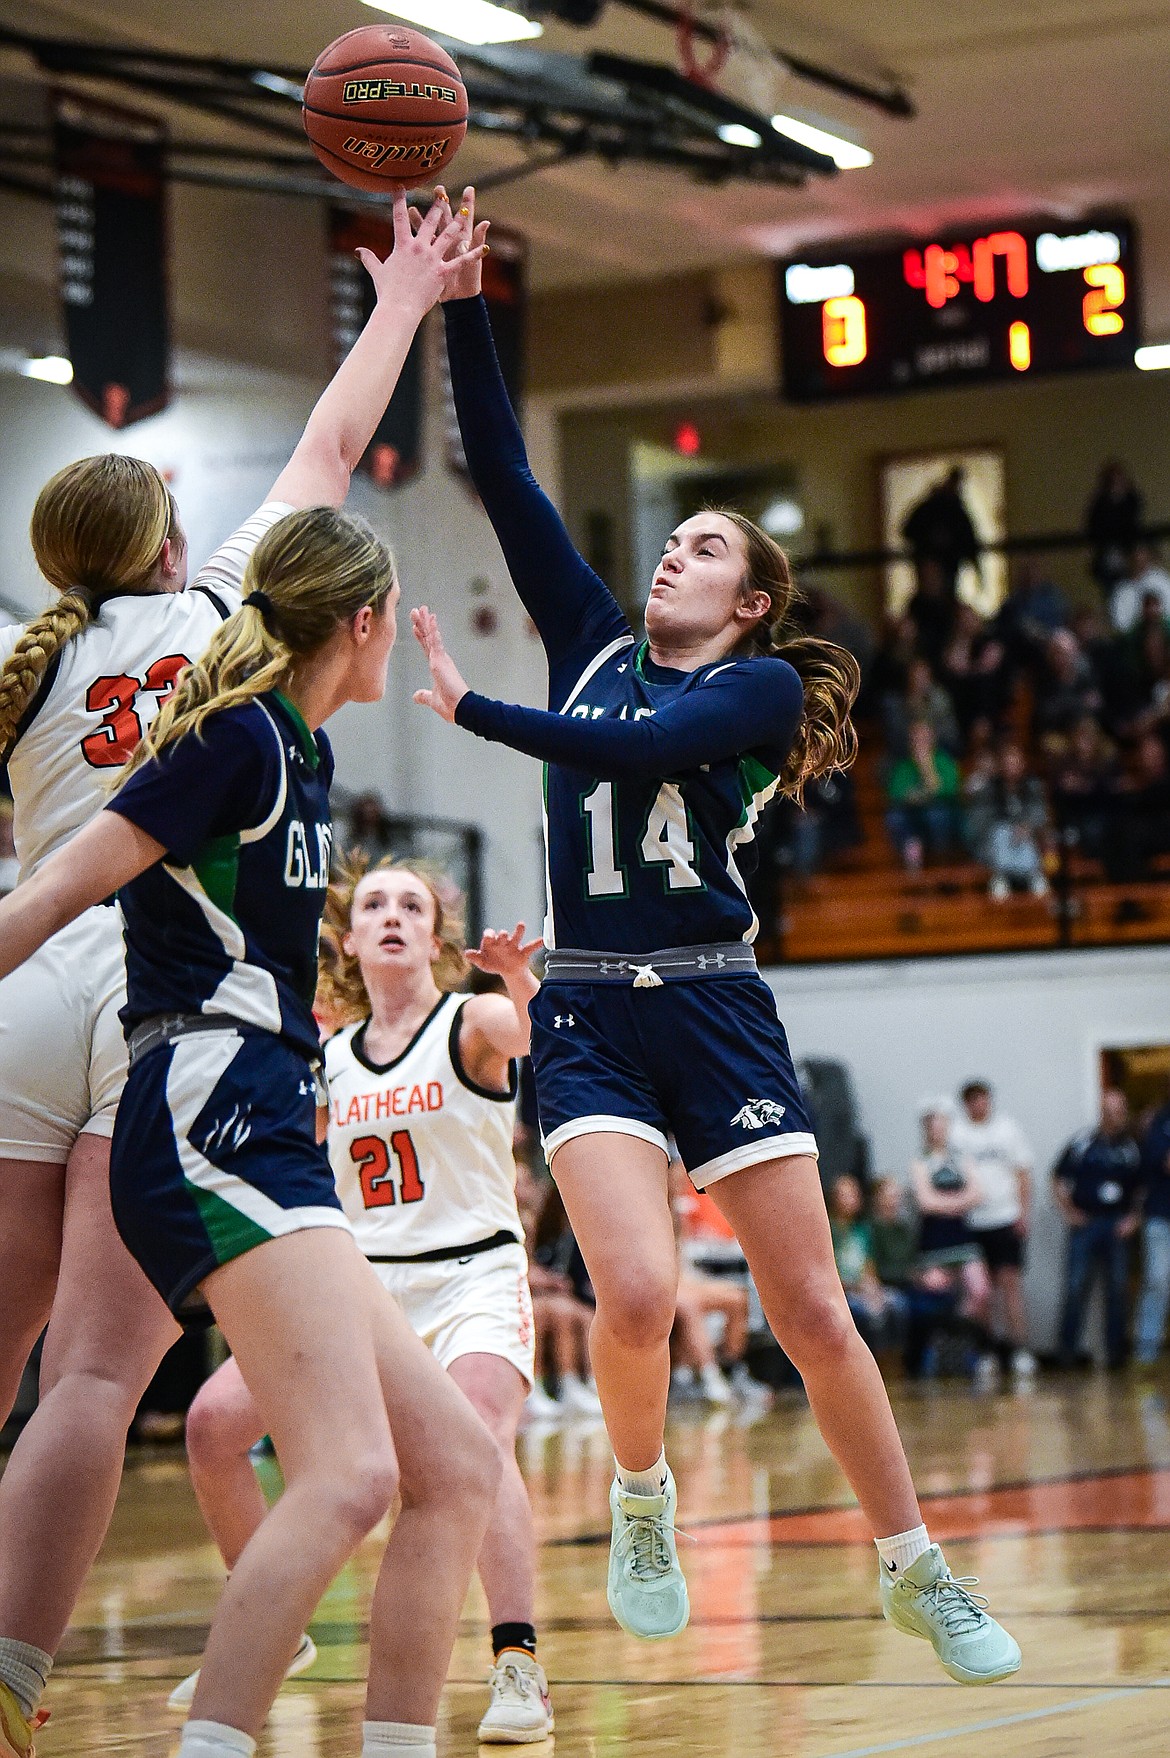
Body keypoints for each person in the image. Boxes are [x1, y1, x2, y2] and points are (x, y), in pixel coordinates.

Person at [406, 186, 1022, 1687]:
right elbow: (499, 471)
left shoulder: (744, 698)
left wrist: (476, 711)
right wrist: (462, 304)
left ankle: (912, 1564)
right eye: (667, 539)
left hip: (717, 1001)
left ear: (748, 602)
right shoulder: (591, 641)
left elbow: (620, 758)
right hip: (591, 1006)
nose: (669, 555)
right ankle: (637, 1499)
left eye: (700, 548)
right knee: (628, 1291)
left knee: (810, 1304)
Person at [0, 188, 475, 1758]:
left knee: (22, 1365)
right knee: (98, 1384)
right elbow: (331, 451)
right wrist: (399, 301)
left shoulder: (33, 659)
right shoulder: (223, 663)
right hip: (162, 1015)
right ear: (178, 547)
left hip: (45, 997)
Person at [174, 858, 553, 1743]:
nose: (392, 917)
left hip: (472, 1276)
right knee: (210, 1427)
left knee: (479, 1430)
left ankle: (518, 1661)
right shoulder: (329, 1058)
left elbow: (537, 1035)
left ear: (436, 938)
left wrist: (519, 980)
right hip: (359, 1285)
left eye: (411, 906)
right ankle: (277, 1622)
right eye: (374, 905)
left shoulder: (471, 1021)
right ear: (349, 940)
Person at [949, 1082, 1035, 1380]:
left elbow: (1023, 1172)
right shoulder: (957, 1135)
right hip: (973, 1222)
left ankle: (1019, 1348)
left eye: (982, 1099)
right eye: (972, 1101)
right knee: (981, 1291)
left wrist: (1023, 1213)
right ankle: (988, 1349)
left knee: (1009, 1284)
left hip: (1004, 1217)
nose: (978, 1106)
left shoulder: (1007, 1130)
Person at [1052, 1090, 1142, 1370]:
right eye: (1109, 1111)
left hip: (1117, 1224)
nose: (1114, 1117)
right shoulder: (1082, 1142)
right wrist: (1069, 1212)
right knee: (1076, 1287)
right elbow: (1057, 1177)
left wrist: (1135, 1218)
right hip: (1087, 1223)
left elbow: (1143, 1188)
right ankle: (1066, 1354)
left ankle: (1116, 1356)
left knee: (1117, 1290)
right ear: (1101, 1112)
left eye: (1119, 1112)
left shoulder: (1132, 1147)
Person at [902, 468, 980, 604]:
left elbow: (968, 538)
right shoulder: (931, 507)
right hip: (931, 559)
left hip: (949, 563)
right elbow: (909, 530)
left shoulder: (955, 510)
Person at [1134, 1087, 1170, 1367]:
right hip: (1160, 1214)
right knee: (1157, 1281)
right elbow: (1163, 1162)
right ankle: (1146, 1354)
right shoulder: (1160, 1120)